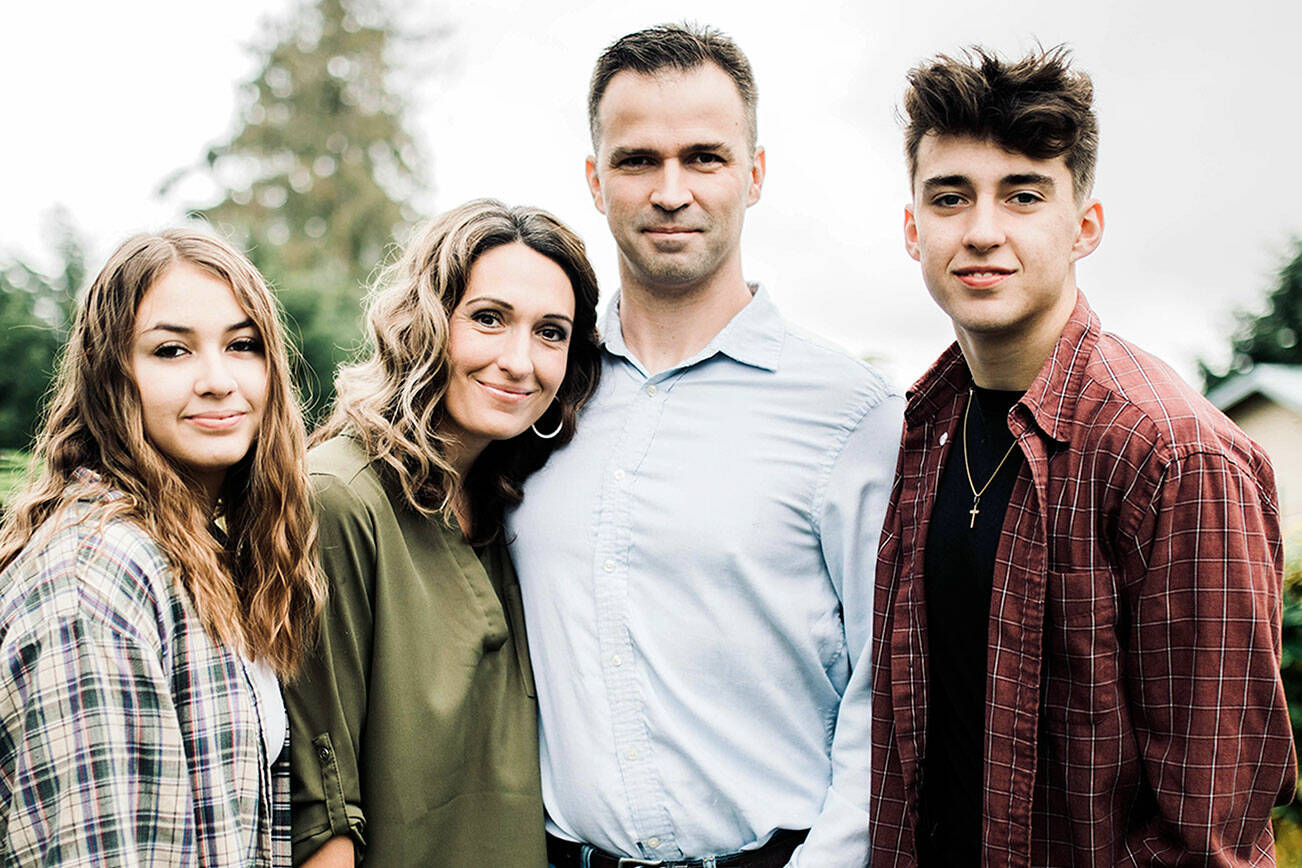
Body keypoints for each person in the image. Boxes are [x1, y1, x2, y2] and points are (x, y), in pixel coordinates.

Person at [870, 46, 1296, 865]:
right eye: (950, 197)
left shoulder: (1174, 454)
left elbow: (1210, 830)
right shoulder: (919, 430)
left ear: (1085, 226)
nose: (982, 231)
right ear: (912, 227)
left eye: (1024, 195)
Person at [507, 24, 903, 868]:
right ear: (595, 179)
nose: (671, 190)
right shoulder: (537, 394)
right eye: (638, 159)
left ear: (755, 174)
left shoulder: (852, 414)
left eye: (705, 158)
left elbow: (892, 688)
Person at [283, 199, 601, 866]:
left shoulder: (516, 505)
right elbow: (322, 811)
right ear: (427, 322)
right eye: (489, 319)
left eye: (551, 333)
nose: (520, 361)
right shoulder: (338, 498)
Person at [0, 229, 323, 864]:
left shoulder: (199, 548)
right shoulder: (97, 576)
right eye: (172, 351)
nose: (218, 380)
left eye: (242, 345)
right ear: (110, 374)